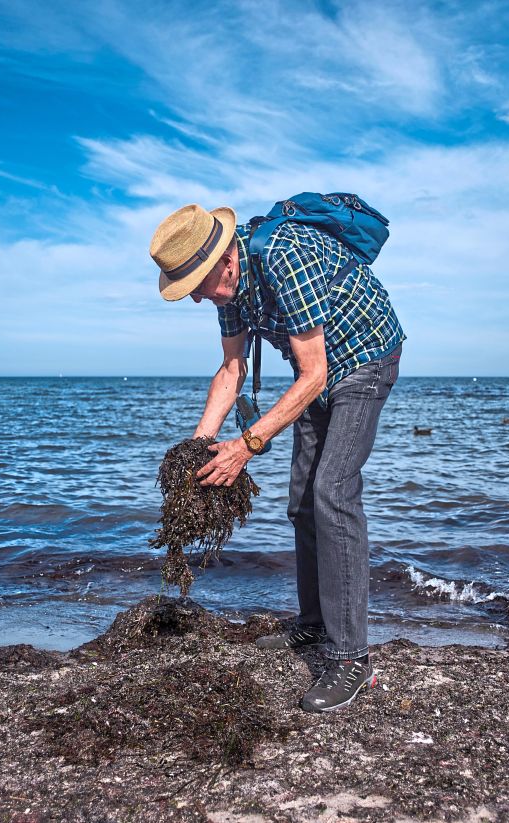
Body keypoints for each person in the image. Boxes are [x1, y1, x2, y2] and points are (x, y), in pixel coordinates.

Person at [149, 202, 405, 712]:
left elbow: (313, 375)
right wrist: (200, 447)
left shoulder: (284, 257)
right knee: (301, 503)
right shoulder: (231, 288)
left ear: (224, 259)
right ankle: (313, 627)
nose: (198, 299)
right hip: (320, 371)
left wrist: (246, 446)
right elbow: (231, 369)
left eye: (197, 285)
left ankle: (352, 658)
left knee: (333, 493)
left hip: (366, 358)